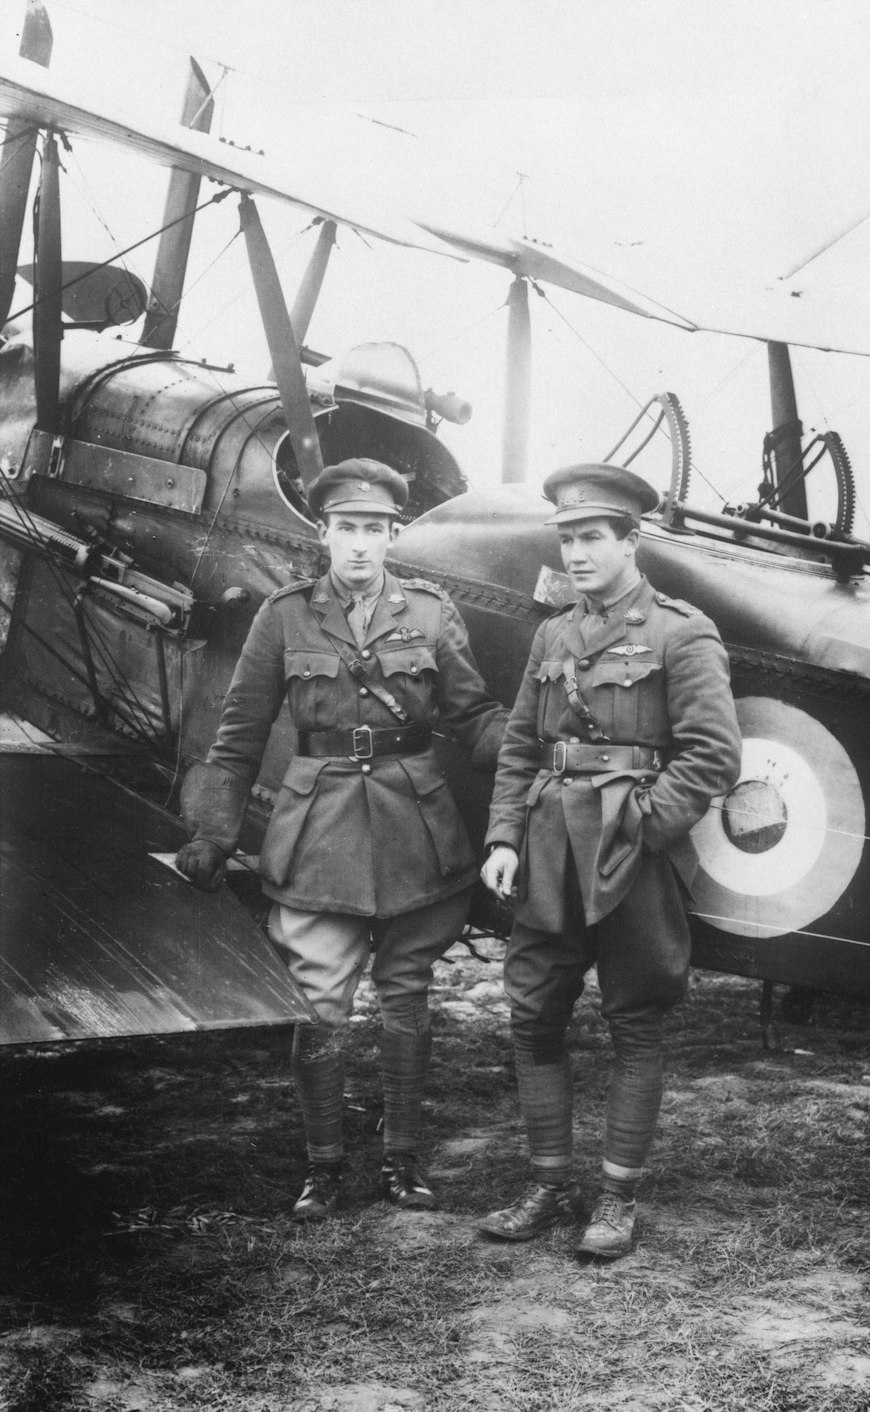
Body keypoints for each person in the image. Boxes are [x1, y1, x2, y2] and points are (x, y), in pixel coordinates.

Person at [176, 458, 507, 1221]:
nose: (360, 545)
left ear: (394, 536)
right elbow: (237, 737)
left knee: (407, 997)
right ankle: (322, 1169)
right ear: (323, 532)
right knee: (321, 1002)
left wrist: (548, 756)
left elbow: (474, 717)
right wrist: (215, 832)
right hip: (317, 829)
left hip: (417, 831)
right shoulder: (284, 616)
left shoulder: (430, 612)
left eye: (375, 530)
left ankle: (405, 1162)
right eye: (347, 529)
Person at [479, 461, 742, 1259]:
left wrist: (644, 831)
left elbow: (711, 756)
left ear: (632, 540)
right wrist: (502, 837)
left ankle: (617, 1198)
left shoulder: (680, 631)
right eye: (568, 538)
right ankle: (551, 1184)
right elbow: (523, 744)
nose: (579, 553)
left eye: (594, 537)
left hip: (632, 856)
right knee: (533, 1014)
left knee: (635, 1019)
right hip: (552, 850)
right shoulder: (553, 633)